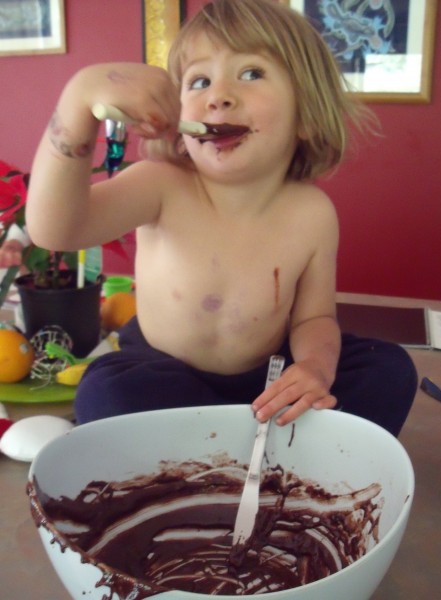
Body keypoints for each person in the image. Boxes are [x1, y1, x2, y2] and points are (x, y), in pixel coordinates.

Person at [26, 0, 416, 435]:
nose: (218, 96)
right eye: (199, 81)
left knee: (389, 368)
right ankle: (252, 449)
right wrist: (78, 100)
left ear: (305, 112)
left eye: (251, 73)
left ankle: (268, 444)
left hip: (270, 378)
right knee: (107, 393)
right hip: (164, 376)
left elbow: (314, 319)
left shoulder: (312, 213)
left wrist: (314, 369)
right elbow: (54, 229)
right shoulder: (160, 184)